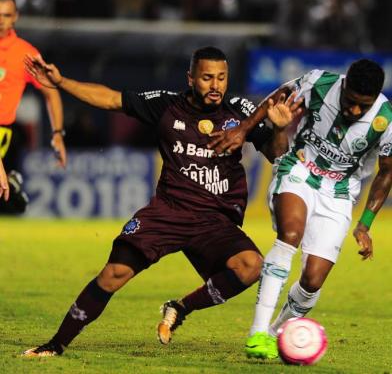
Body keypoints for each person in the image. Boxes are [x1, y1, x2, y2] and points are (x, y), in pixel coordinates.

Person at [22, 46, 302, 356]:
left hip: (214, 220)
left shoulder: (239, 110)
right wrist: (62, 82)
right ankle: (56, 344)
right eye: (207, 78)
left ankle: (181, 308)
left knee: (250, 266)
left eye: (222, 78)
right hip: (168, 211)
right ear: (191, 78)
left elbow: (278, 154)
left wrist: (278, 128)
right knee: (113, 274)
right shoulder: (167, 106)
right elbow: (112, 99)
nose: (215, 86)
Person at [208, 58, 392, 359]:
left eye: (364, 106)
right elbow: (276, 97)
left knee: (313, 280)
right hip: (299, 168)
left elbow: (386, 173)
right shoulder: (319, 82)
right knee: (290, 235)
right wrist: (243, 129)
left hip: (339, 193)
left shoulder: (387, 121)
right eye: (351, 102)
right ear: (344, 85)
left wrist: (365, 223)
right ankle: (257, 334)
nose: (355, 111)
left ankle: (276, 334)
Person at [0, 0, 66, 214]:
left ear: (15, 17)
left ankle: (9, 184)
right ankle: (10, 183)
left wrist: (57, 133)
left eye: (6, 15)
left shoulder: (25, 54)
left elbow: (51, 92)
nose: (1, 21)